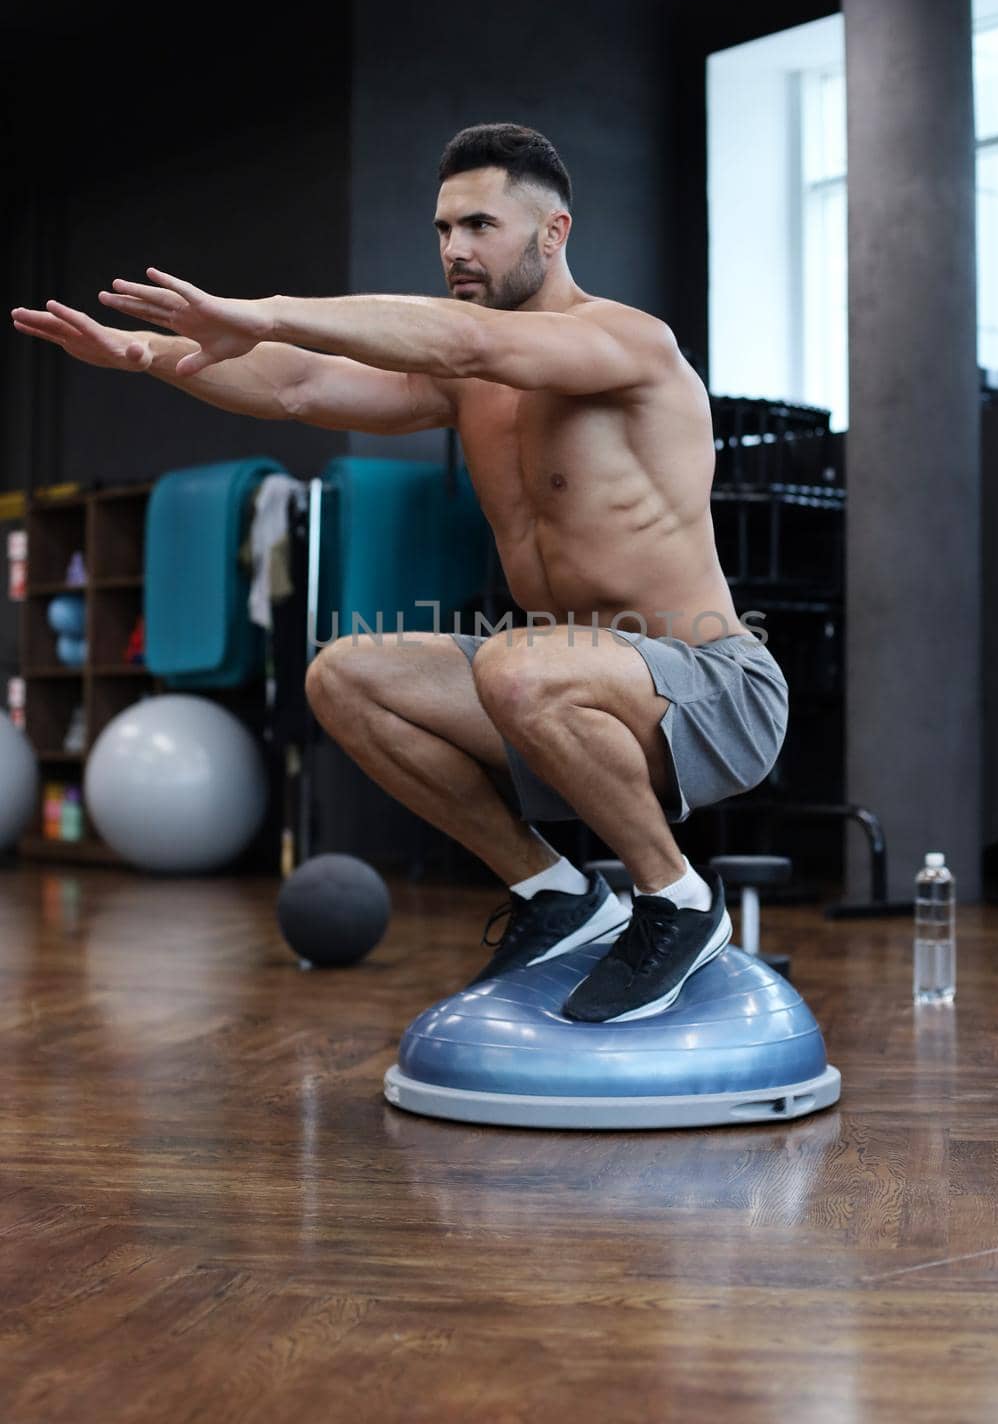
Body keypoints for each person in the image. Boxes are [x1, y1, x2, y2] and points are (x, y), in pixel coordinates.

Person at [11, 122, 788, 1022]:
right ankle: (558, 895)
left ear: (553, 231)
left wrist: (264, 309)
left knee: (515, 661)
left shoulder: (624, 344)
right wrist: (153, 357)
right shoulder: (472, 381)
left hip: (709, 686)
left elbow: (462, 341)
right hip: (561, 691)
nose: (454, 249)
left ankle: (679, 902)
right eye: (443, 229)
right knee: (345, 675)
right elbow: (299, 387)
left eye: (479, 226)